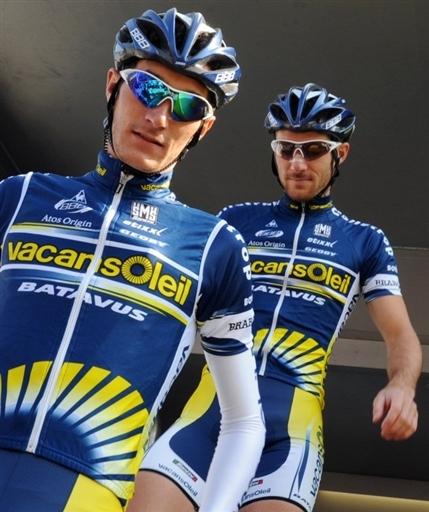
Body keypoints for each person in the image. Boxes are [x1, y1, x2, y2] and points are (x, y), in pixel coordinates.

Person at [0, 8, 265, 512]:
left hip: (88, 488)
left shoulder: (213, 246)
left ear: (204, 128)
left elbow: (243, 420)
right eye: (146, 89)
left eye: (186, 106)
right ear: (112, 85)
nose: (159, 117)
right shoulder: (20, 196)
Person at [130, 83, 422, 512]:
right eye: (286, 150)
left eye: (314, 150)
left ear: (340, 154)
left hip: (290, 431)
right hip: (207, 415)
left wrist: (401, 386)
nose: (297, 163)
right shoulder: (235, 221)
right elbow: (177, 308)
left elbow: (400, 336)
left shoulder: (365, 242)